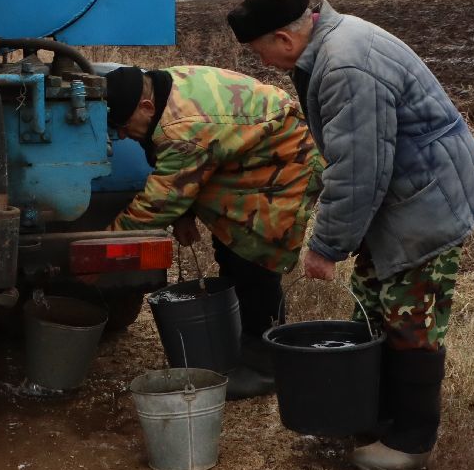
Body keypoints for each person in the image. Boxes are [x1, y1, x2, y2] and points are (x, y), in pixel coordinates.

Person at [228, 0, 474, 470]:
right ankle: (378, 414)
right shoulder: (331, 45)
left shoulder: (346, 65)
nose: (263, 64)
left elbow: (358, 169)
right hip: (406, 192)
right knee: (373, 300)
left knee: (411, 314)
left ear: (284, 40)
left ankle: (411, 442)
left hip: (426, 200)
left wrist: (327, 246)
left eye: (261, 52)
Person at [104, 63, 323, 400]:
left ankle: (265, 368)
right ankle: (238, 345)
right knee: (230, 249)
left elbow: (159, 202)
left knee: (256, 258)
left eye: (121, 125)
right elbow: (186, 164)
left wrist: (105, 247)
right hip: (245, 157)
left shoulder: (182, 126)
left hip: (285, 162)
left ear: (145, 107)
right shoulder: (160, 87)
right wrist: (185, 214)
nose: (120, 135)